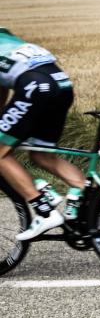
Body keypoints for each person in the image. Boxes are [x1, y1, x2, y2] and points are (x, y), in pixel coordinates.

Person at [0, 28, 86, 240]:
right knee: (42, 155)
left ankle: (44, 210)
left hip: (35, 87)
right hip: (62, 84)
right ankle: (95, 196)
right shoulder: (6, 36)